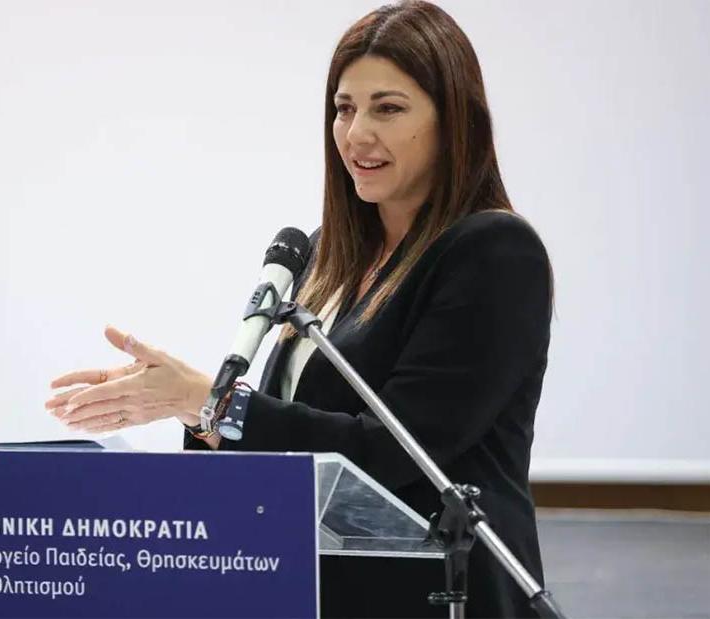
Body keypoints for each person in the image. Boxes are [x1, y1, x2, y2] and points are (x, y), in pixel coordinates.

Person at [45, 1, 555, 617]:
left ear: (455, 119)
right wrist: (193, 410)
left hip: (442, 593)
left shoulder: (493, 252)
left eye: (388, 108)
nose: (356, 133)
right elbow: (290, 437)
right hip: (315, 588)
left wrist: (212, 401)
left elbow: (396, 451)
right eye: (344, 108)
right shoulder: (323, 257)